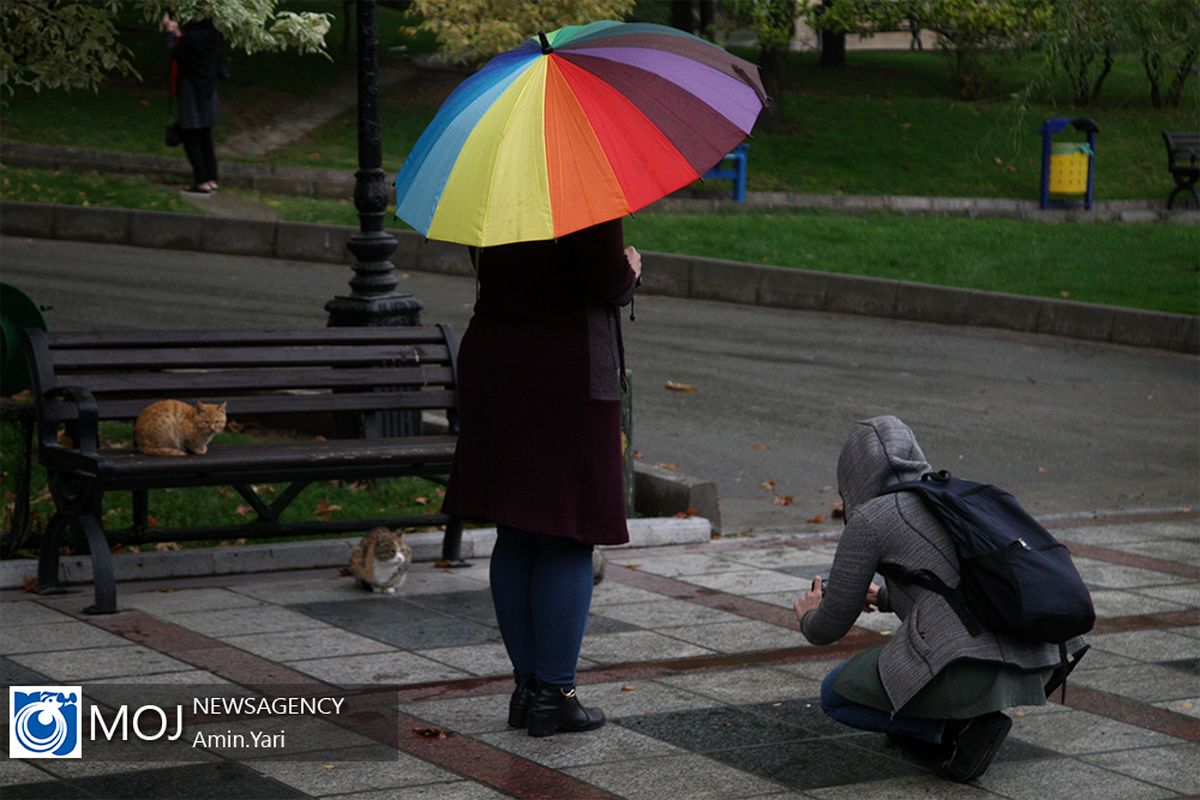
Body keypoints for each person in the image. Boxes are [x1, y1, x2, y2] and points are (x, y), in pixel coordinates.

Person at [793, 416, 1087, 782]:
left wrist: (807, 616)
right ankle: (958, 722)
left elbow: (830, 626)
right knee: (903, 681)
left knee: (835, 694)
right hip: (1040, 659)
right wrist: (885, 598)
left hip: (969, 666)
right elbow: (957, 582)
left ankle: (959, 731)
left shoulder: (871, 518)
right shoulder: (952, 495)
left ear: (851, 472)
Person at [441, 219, 641, 738]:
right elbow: (604, 278)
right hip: (566, 368)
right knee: (567, 533)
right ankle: (555, 694)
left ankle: (529, 688)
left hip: (495, 358)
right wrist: (630, 271)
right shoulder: (581, 185)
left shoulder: (497, 179)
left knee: (517, 527)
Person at [162, 13, 223, 195]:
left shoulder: (191, 39)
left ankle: (202, 181)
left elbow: (175, 52)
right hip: (208, 91)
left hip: (191, 91)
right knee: (205, 136)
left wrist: (170, 31)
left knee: (190, 136)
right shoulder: (213, 35)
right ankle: (211, 179)